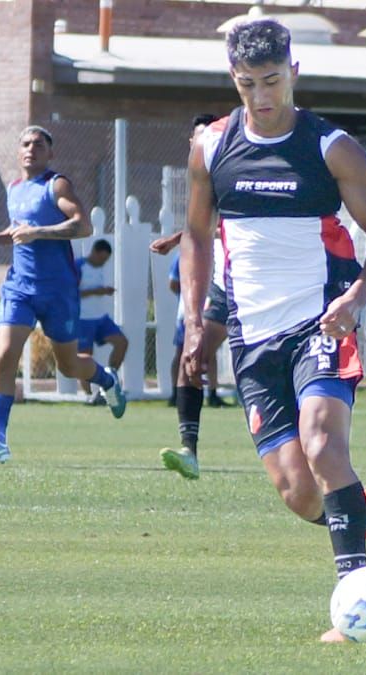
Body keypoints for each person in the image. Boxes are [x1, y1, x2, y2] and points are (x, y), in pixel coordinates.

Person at [180, 19, 366, 640]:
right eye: (248, 84)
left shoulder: (330, 147)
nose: (261, 95)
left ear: (294, 73)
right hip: (252, 340)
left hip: (322, 320)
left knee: (322, 445)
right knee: (298, 492)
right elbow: (198, 236)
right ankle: (365, 513)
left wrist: (358, 297)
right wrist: (195, 321)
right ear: (233, 80)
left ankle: (353, 598)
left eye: (273, 81)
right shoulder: (209, 148)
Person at [0, 126, 126, 463]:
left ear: (50, 153)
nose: (31, 149)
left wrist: (38, 232)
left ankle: (106, 379)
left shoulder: (56, 185)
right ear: (18, 152)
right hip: (20, 287)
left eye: (38, 145)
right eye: (25, 144)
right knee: (3, 357)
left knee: (69, 367)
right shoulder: (14, 189)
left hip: (58, 290)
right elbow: (19, 232)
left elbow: (83, 226)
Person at [150, 114, 233, 480]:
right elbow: (203, 228)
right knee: (191, 352)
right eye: (195, 140)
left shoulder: (236, 171)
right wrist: (178, 239)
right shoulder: (203, 181)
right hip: (224, 284)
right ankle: (190, 450)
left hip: (265, 285)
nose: (198, 147)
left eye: (206, 139)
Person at [76, 238, 129, 405]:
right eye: (102, 259)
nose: (103, 263)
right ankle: (88, 395)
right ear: (95, 252)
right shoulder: (79, 266)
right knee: (84, 357)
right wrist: (96, 291)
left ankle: (108, 382)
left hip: (101, 318)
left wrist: (103, 291)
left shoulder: (99, 269)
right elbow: (71, 294)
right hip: (82, 319)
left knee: (121, 343)